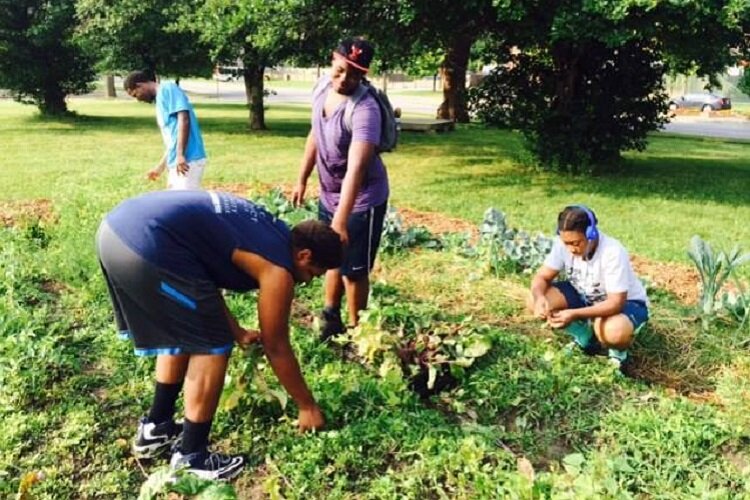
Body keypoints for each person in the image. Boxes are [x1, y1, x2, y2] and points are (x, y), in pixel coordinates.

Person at [96, 190, 343, 480]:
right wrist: (307, 405)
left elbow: (201, 282)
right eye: (314, 273)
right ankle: (192, 457)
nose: (309, 281)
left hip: (116, 231)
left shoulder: (268, 230)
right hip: (147, 246)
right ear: (304, 255)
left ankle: (156, 428)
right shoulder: (278, 269)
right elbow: (277, 346)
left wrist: (237, 331)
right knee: (212, 345)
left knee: (186, 331)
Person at [292, 37, 389, 339]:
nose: (345, 78)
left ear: (364, 75)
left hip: (362, 199)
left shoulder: (365, 109)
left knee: (354, 271)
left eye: (356, 74)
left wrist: (340, 220)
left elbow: (357, 169)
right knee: (329, 257)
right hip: (330, 193)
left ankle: (356, 330)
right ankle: (330, 315)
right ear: (333, 60)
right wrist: (302, 178)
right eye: (341, 69)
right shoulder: (322, 88)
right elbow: (315, 134)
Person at [527, 205, 649, 372]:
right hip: (585, 296)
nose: (570, 249)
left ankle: (618, 354)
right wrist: (540, 297)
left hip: (626, 304)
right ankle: (585, 336)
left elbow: (615, 303)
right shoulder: (563, 245)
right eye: (566, 243)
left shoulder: (612, 252)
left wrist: (573, 314)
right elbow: (541, 277)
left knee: (613, 331)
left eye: (576, 243)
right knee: (534, 300)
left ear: (591, 234)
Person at [123, 71, 207, 190]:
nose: (138, 99)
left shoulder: (168, 88)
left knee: (184, 205)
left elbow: (184, 118)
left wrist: (180, 155)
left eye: (135, 94)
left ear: (139, 85)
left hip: (189, 160)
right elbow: (173, 139)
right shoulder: (159, 101)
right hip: (177, 162)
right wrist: (160, 167)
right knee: (175, 203)